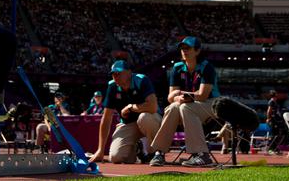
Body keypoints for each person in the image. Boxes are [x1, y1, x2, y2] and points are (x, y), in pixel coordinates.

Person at [150, 36, 220, 167]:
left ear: (197, 51)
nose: (184, 51)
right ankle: (159, 152)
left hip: (211, 104)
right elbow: (170, 98)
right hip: (188, 104)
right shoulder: (177, 68)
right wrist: (179, 97)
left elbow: (203, 95)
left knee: (184, 107)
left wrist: (180, 94)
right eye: (182, 48)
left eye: (188, 48)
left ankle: (201, 154)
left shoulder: (206, 67)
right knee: (173, 107)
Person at [89, 61, 162, 164]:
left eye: (118, 73)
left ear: (129, 72)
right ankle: (137, 148)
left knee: (144, 118)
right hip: (129, 124)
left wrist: (131, 107)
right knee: (116, 157)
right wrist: (100, 150)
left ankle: (157, 153)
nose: (115, 76)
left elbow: (153, 107)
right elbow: (106, 119)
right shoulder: (112, 86)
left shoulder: (141, 80)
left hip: (150, 120)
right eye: (113, 74)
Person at [265, 89, 285, 154]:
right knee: (274, 135)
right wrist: (268, 118)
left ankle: (275, 148)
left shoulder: (275, 102)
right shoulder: (271, 102)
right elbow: (269, 111)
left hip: (276, 120)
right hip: (273, 120)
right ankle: (271, 149)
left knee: (277, 134)